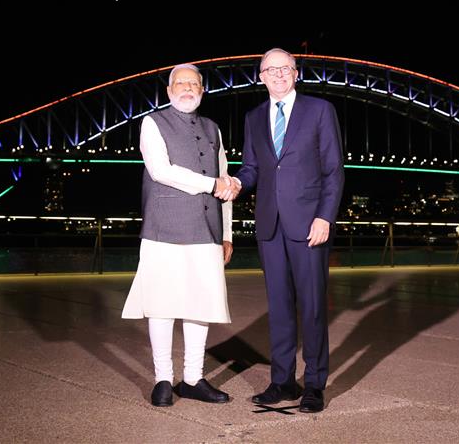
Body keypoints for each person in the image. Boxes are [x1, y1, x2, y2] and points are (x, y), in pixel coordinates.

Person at [233, 48, 344, 413]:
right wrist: (235, 182)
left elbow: (333, 170)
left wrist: (325, 216)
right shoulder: (252, 117)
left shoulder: (319, 110)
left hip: (309, 223)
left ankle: (314, 384)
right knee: (279, 308)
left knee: (312, 307)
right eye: (271, 69)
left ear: (296, 73)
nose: (279, 74)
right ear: (261, 76)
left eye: (286, 68)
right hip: (270, 224)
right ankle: (282, 381)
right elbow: (252, 168)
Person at [121, 63, 239, 407]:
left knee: (199, 304)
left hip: (207, 231)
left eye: (194, 84)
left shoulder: (214, 129)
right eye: (180, 83)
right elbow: (160, 171)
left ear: (202, 91)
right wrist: (212, 184)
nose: (187, 88)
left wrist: (227, 233)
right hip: (164, 228)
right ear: (169, 90)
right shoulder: (152, 123)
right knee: (162, 305)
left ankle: (191, 378)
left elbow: (225, 182)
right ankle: (162, 379)